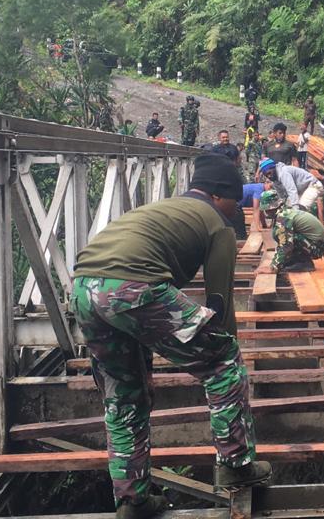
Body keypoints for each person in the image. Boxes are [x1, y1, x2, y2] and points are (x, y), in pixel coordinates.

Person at [71, 154, 271, 518]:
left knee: (124, 395)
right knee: (223, 361)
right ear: (219, 195)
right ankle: (236, 463)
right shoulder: (216, 222)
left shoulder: (163, 209)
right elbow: (219, 300)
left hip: (83, 290)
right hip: (132, 288)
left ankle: (132, 501)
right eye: (235, 201)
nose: (236, 210)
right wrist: (221, 350)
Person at [257, 191, 324, 273]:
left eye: (267, 210)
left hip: (317, 248)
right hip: (314, 244)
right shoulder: (285, 211)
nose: (266, 212)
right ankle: (296, 261)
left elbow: (285, 244)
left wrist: (273, 267)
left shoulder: (283, 217)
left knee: (287, 238)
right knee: (282, 235)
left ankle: (305, 263)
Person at [258, 158, 324, 219]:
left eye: (269, 173)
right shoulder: (275, 179)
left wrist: (295, 210)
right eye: (267, 175)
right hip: (302, 190)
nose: (269, 176)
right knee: (289, 208)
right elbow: (282, 197)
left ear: (273, 168)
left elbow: (292, 191)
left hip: (313, 185)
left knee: (301, 208)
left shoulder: (283, 172)